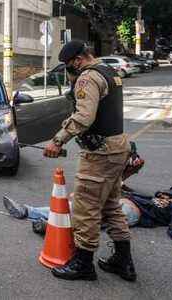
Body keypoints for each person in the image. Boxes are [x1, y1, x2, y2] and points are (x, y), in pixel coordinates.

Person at [43, 40, 134, 282]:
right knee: (111, 205)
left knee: (86, 207)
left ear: (77, 61)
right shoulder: (109, 71)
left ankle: (83, 264)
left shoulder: (87, 78)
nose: (69, 71)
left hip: (100, 154)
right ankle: (123, 261)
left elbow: (84, 115)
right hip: (117, 147)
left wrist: (58, 140)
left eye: (68, 66)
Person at [2, 185, 172, 246]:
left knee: (90, 219)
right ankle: (27, 211)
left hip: (131, 212)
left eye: (168, 195)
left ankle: (50, 226)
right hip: (118, 203)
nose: (164, 195)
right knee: (71, 206)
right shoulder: (152, 198)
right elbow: (124, 190)